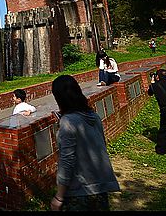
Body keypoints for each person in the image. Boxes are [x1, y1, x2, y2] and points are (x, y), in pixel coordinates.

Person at [50, 75, 120, 211]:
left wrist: (59, 196)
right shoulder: (94, 116)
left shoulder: (68, 122)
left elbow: (67, 160)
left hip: (80, 191)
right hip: (100, 187)